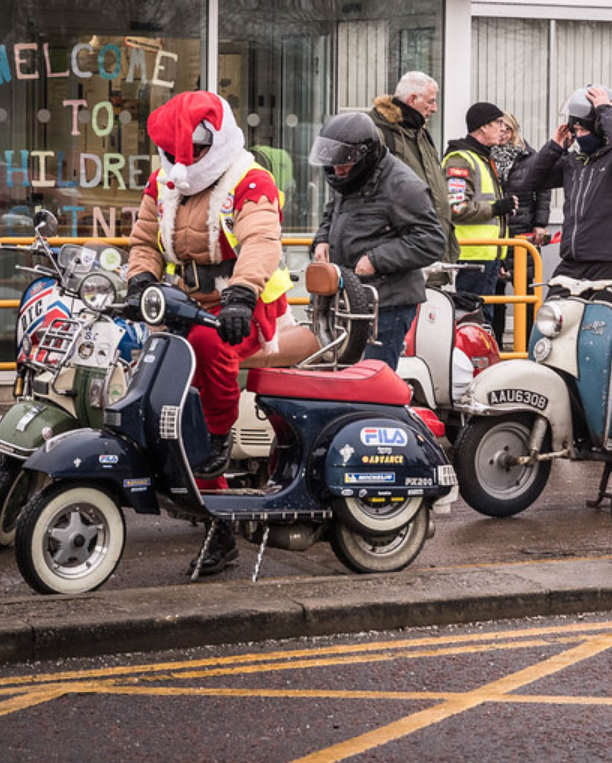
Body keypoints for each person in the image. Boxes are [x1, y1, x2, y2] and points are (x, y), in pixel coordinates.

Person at [123, 91, 291, 576]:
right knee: (147, 361)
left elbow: (261, 239)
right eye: (175, 152)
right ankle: (202, 495)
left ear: (213, 141)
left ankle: (219, 438)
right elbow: (144, 240)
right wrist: (139, 278)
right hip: (185, 302)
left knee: (206, 348)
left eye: (193, 151)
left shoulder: (249, 178)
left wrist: (242, 293)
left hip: (247, 306)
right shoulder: (165, 181)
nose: (184, 161)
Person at [310, 112, 447, 367]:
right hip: (346, 299)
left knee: (371, 383)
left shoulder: (403, 185)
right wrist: (322, 239)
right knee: (335, 375)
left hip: (385, 304)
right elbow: (333, 211)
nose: (337, 171)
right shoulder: (347, 178)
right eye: (333, 164)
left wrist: (377, 259)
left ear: (365, 155)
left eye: (344, 164)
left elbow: (432, 240)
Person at [509, 85, 612, 320]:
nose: (579, 135)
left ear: (601, 128)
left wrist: (606, 112)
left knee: (602, 337)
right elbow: (526, 182)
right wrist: (554, 146)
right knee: (551, 325)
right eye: (576, 130)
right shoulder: (573, 162)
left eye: (584, 129)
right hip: (571, 263)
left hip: (610, 262)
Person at [371, 71, 457, 262]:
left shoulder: (421, 134)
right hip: (402, 255)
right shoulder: (381, 134)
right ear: (412, 99)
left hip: (428, 251)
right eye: (430, 101)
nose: (434, 109)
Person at [443, 102, 517, 303]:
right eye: (498, 123)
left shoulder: (483, 158)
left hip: (489, 254)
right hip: (471, 256)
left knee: (484, 320)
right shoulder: (460, 159)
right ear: (483, 126)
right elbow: (456, 207)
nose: (502, 129)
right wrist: (496, 208)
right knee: (472, 318)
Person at [492, 112, 551, 248]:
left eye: (508, 129)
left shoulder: (529, 156)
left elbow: (544, 192)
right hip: (493, 226)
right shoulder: (484, 155)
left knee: (522, 267)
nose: (504, 133)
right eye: (500, 128)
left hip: (522, 227)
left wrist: (540, 224)